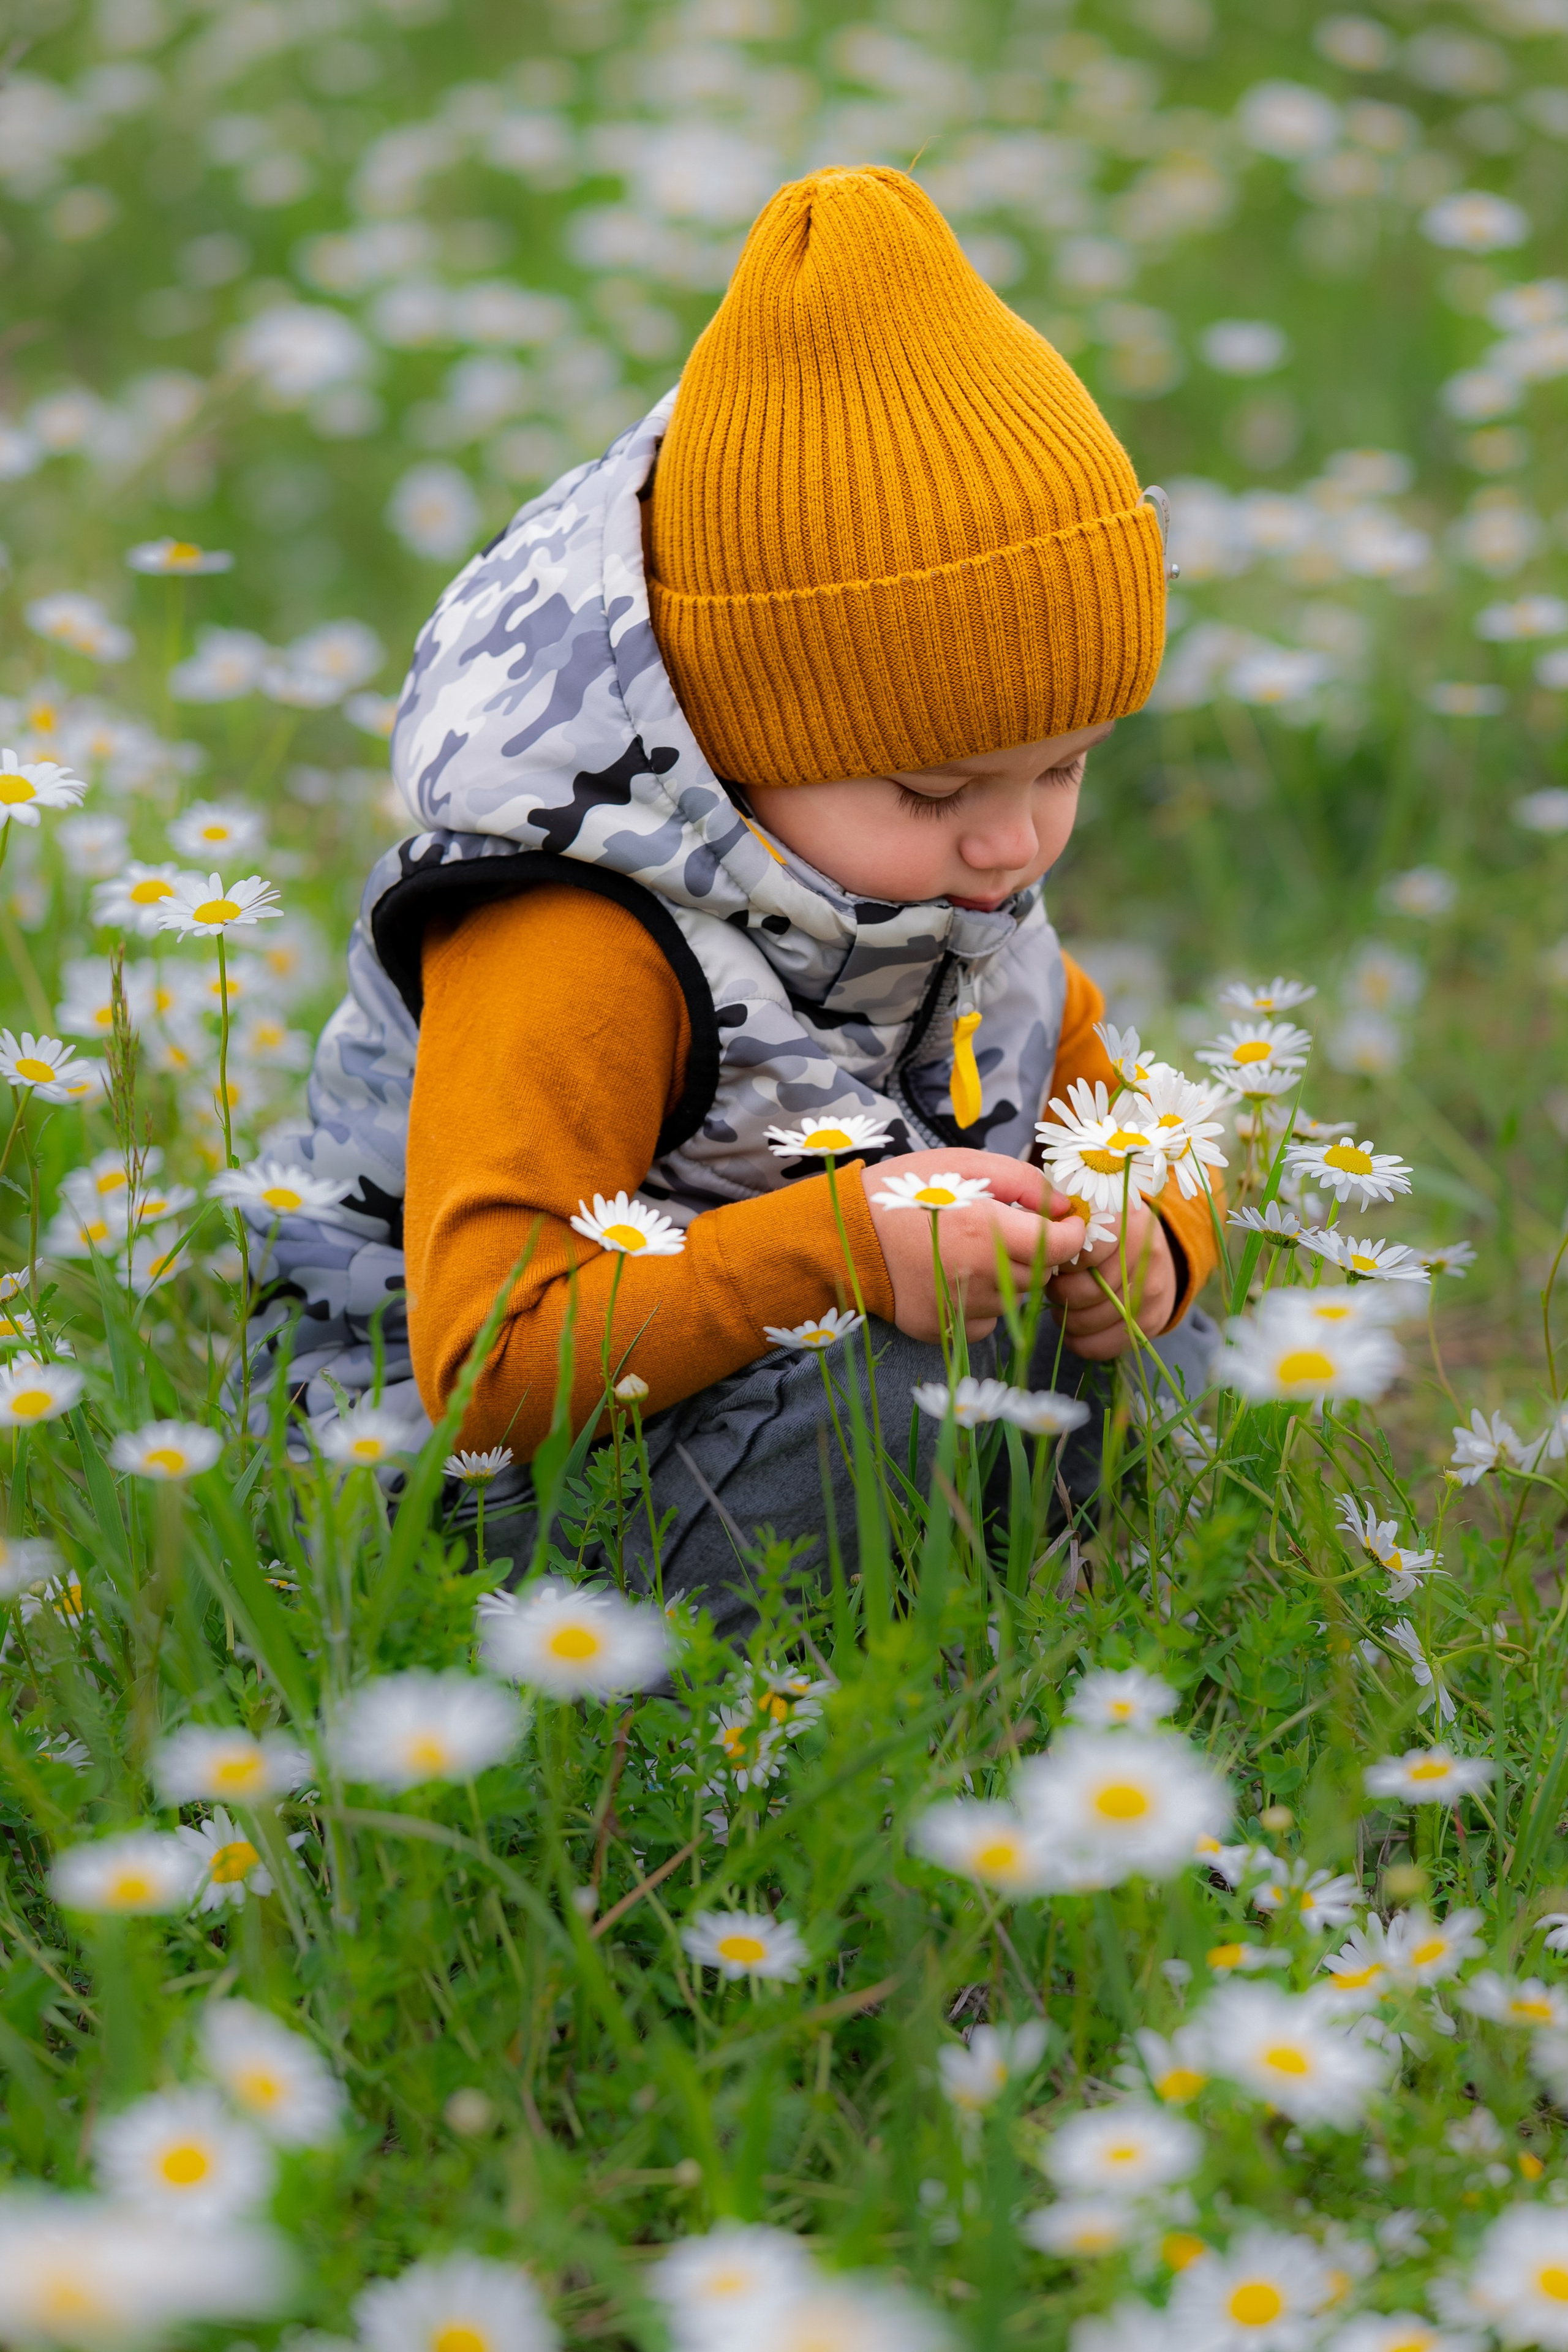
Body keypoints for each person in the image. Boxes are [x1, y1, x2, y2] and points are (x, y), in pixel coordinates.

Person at [252, 165, 1219, 1629]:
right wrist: (836, 1244)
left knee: (1164, 1330)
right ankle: (790, 1633)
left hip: (757, 1362)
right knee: (923, 1401)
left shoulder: (933, 892)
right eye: (935, 793)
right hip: (468, 1476)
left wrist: (1147, 1228)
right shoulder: (574, 939)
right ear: (731, 742)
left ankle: (987, 1556)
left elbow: (1103, 1105)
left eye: (1064, 770)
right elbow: (494, 1373)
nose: (1011, 845)